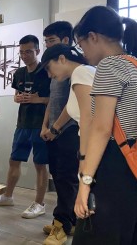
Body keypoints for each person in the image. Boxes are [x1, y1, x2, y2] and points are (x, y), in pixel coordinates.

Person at [71, 6, 137, 245]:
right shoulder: (133, 64)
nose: (83, 52)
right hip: (133, 165)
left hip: (115, 165)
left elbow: (101, 128)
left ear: (93, 37)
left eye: (82, 44)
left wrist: (84, 183)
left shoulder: (109, 67)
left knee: (97, 234)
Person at [40, 43, 96, 245]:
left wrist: (83, 157)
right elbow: (72, 109)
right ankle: (71, 225)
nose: (49, 74)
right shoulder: (79, 75)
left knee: (72, 182)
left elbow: (89, 119)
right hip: (88, 142)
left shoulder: (81, 73)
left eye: (49, 68)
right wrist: (54, 129)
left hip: (92, 145)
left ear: (62, 59)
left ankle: (66, 227)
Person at [0, 35, 51, 220]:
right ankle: (8, 196)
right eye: (21, 52)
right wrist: (17, 98)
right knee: (14, 160)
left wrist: (38, 99)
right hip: (23, 123)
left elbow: (55, 99)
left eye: (28, 51)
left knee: (40, 164)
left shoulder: (47, 70)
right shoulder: (19, 73)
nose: (24, 55)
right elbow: (16, 95)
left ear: (37, 50)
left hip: (41, 124)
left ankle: (39, 204)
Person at [39, 21, 81, 243]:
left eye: (51, 41)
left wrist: (55, 128)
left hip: (69, 132)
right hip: (54, 131)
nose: (48, 46)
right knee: (60, 177)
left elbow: (72, 106)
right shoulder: (57, 72)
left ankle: (61, 225)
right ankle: (68, 221)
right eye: (46, 41)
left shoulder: (75, 71)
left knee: (66, 179)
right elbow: (51, 102)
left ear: (66, 42)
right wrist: (46, 126)